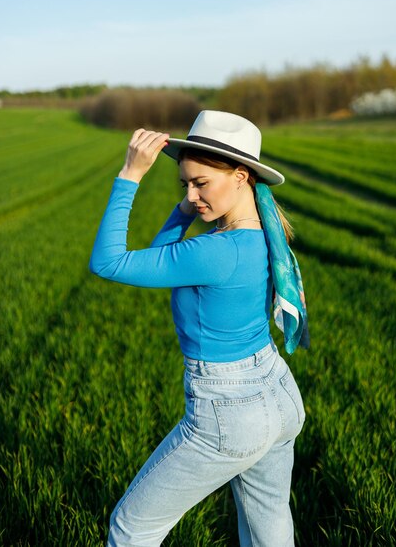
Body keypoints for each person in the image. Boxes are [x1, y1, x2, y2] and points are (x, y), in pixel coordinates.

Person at [89, 110, 309, 547]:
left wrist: (130, 175)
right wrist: (185, 208)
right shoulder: (264, 235)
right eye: (185, 184)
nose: (191, 194)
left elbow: (108, 263)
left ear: (242, 176)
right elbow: (161, 256)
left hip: (228, 410)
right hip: (278, 394)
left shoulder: (214, 252)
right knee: (269, 530)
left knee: (132, 528)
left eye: (201, 184)